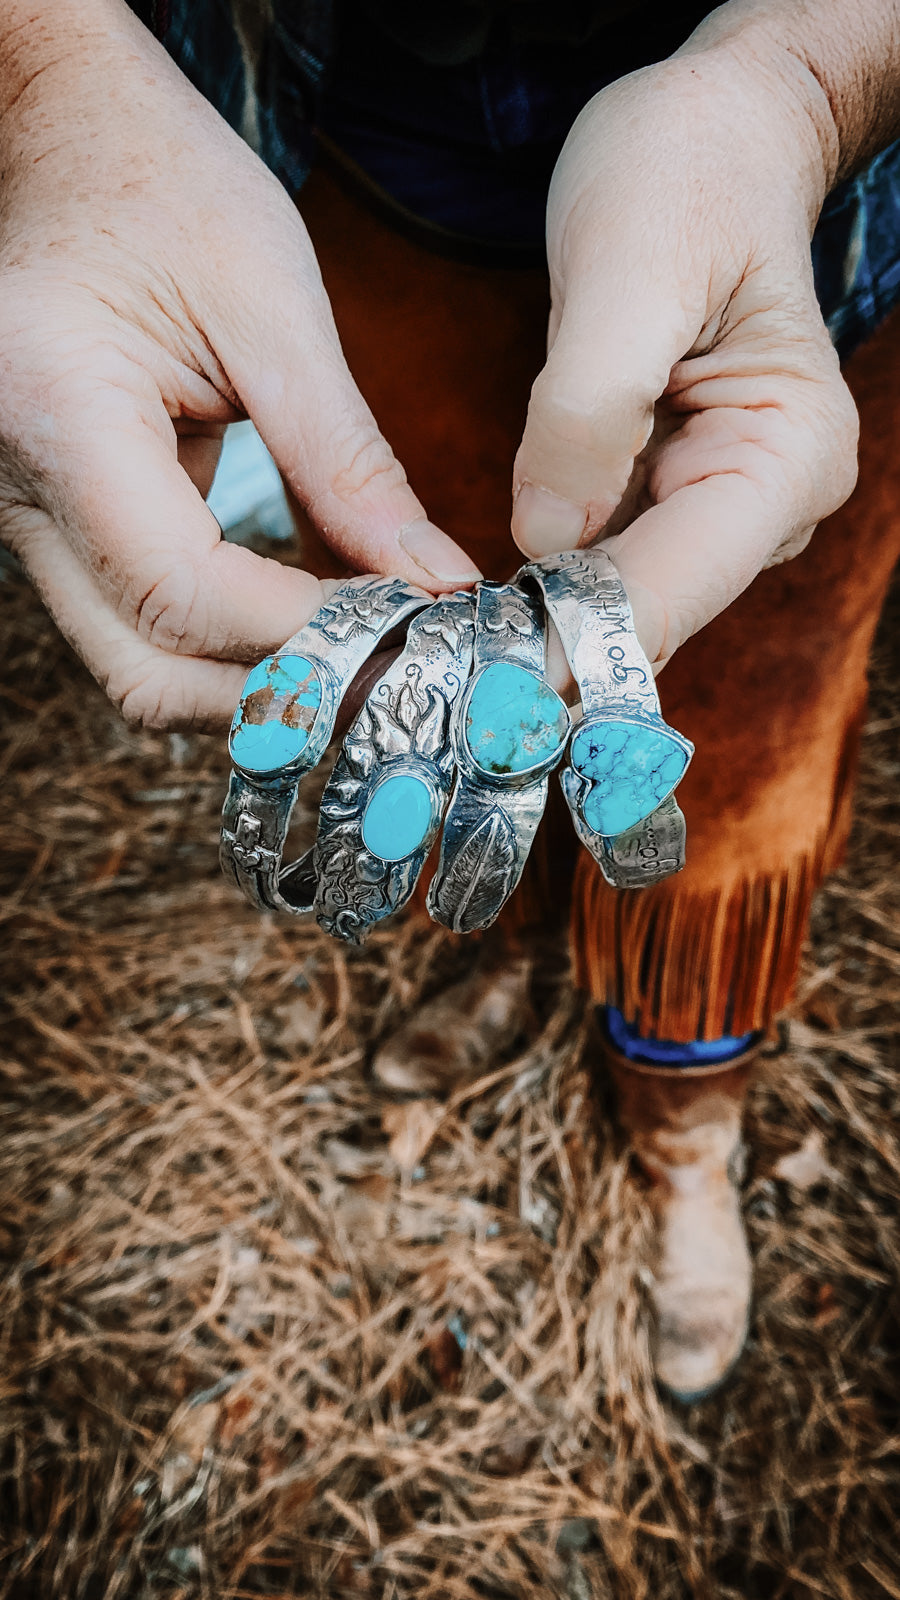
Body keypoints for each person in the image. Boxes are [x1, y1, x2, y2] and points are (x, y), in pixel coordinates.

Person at [1, 0, 898, 1400]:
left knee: (735, 763)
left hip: (808, 233)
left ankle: (684, 1114)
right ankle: (526, 943)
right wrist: (45, 76)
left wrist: (801, 83)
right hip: (355, 162)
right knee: (449, 670)